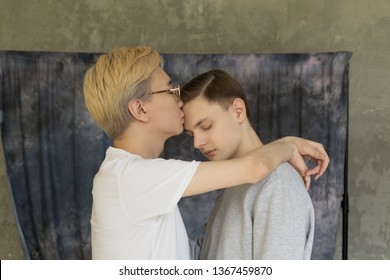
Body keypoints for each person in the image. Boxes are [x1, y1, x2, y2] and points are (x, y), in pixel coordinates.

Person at [82, 46, 329, 260]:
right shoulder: (131, 178)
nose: (178, 99)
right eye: (170, 90)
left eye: (206, 126)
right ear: (139, 109)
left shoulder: (276, 185)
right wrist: (289, 146)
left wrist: (285, 147)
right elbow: (255, 167)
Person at [181, 69, 318, 259]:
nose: (197, 143)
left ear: (238, 111)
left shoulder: (277, 184)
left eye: (206, 126)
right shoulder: (234, 183)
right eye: (191, 134)